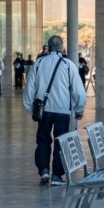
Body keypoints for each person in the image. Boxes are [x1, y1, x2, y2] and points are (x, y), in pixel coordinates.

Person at [23, 35, 86, 186]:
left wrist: (30, 108)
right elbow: (78, 90)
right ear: (61, 47)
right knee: (61, 142)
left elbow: (29, 88)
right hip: (63, 110)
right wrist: (79, 108)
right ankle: (57, 175)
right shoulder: (68, 64)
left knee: (43, 140)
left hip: (44, 110)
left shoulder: (38, 63)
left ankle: (44, 170)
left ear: (48, 47)